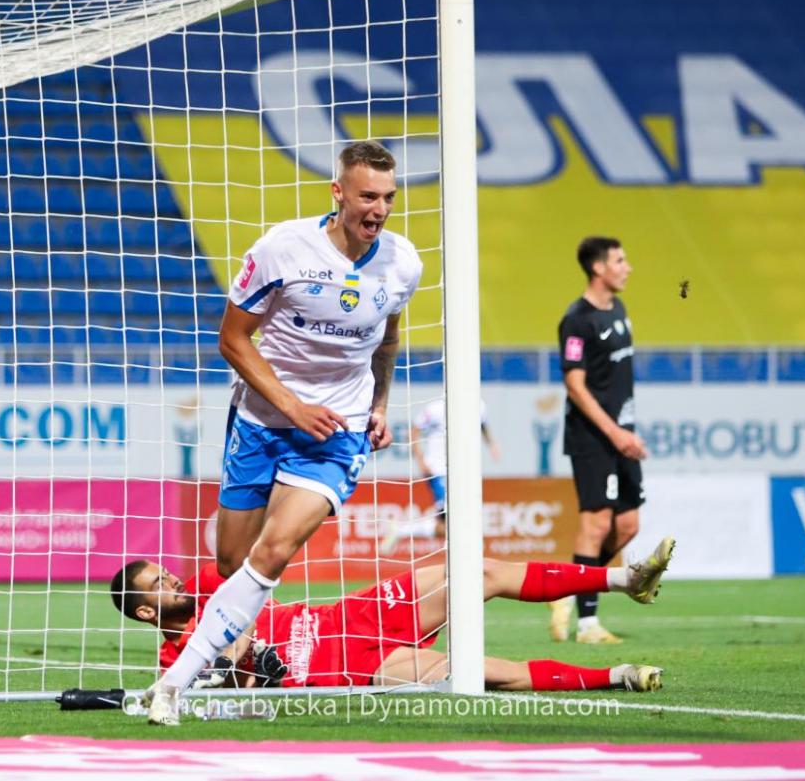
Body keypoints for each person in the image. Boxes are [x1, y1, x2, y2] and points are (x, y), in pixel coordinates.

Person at [142, 141, 423, 724]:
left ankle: (173, 685)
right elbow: (232, 340)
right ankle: (238, 665)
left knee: (274, 551)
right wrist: (293, 407)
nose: (379, 209)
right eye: (368, 196)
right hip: (261, 421)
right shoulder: (281, 249)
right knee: (231, 562)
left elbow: (388, 339)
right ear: (338, 192)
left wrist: (379, 404)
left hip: (335, 431)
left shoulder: (403, 263)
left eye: (388, 198)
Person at [110, 537, 676, 720]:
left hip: (353, 616)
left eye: (166, 572)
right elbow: (240, 703)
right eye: (159, 583)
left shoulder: (210, 582)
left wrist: (240, 648)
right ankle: (618, 676)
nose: (174, 580)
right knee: (482, 673)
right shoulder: (171, 667)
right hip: (351, 670)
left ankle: (626, 578)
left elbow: (252, 590)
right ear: (145, 613)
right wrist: (248, 671)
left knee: (476, 571)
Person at [553, 237, 647, 645]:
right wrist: (614, 433)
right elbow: (575, 385)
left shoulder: (619, 308)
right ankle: (587, 624)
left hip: (622, 432)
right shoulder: (576, 320)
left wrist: (625, 431)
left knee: (627, 526)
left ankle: (568, 590)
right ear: (598, 267)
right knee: (596, 524)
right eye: (620, 260)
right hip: (593, 436)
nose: (628, 267)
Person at [378, 398, 501, 553]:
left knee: (450, 525)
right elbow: (414, 432)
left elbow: (482, 425)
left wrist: (492, 444)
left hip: (462, 471)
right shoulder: (435, 409)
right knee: (454, 522)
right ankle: (467, 553)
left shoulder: (479, 405)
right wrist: (421, 460)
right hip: (438, 469)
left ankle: (401, 530)